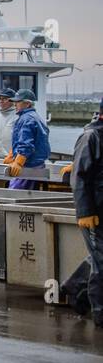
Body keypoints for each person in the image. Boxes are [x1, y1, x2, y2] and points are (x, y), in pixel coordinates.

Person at [69, 98, 103, 327]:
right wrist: (84, 211)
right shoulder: (91, 137)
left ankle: (75, 291)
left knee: (97, 259)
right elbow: (79, 177)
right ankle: (100, 314)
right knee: (101, 262)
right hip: (94, 211)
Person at [7, 89, 51, 190]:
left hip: (28, 166)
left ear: (27, 104)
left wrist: (18, 163)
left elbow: (26, 145)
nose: (15, 105)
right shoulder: (36, 117)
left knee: (15, 193)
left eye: (18, 102)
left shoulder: (26, 119)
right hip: (38, 165)